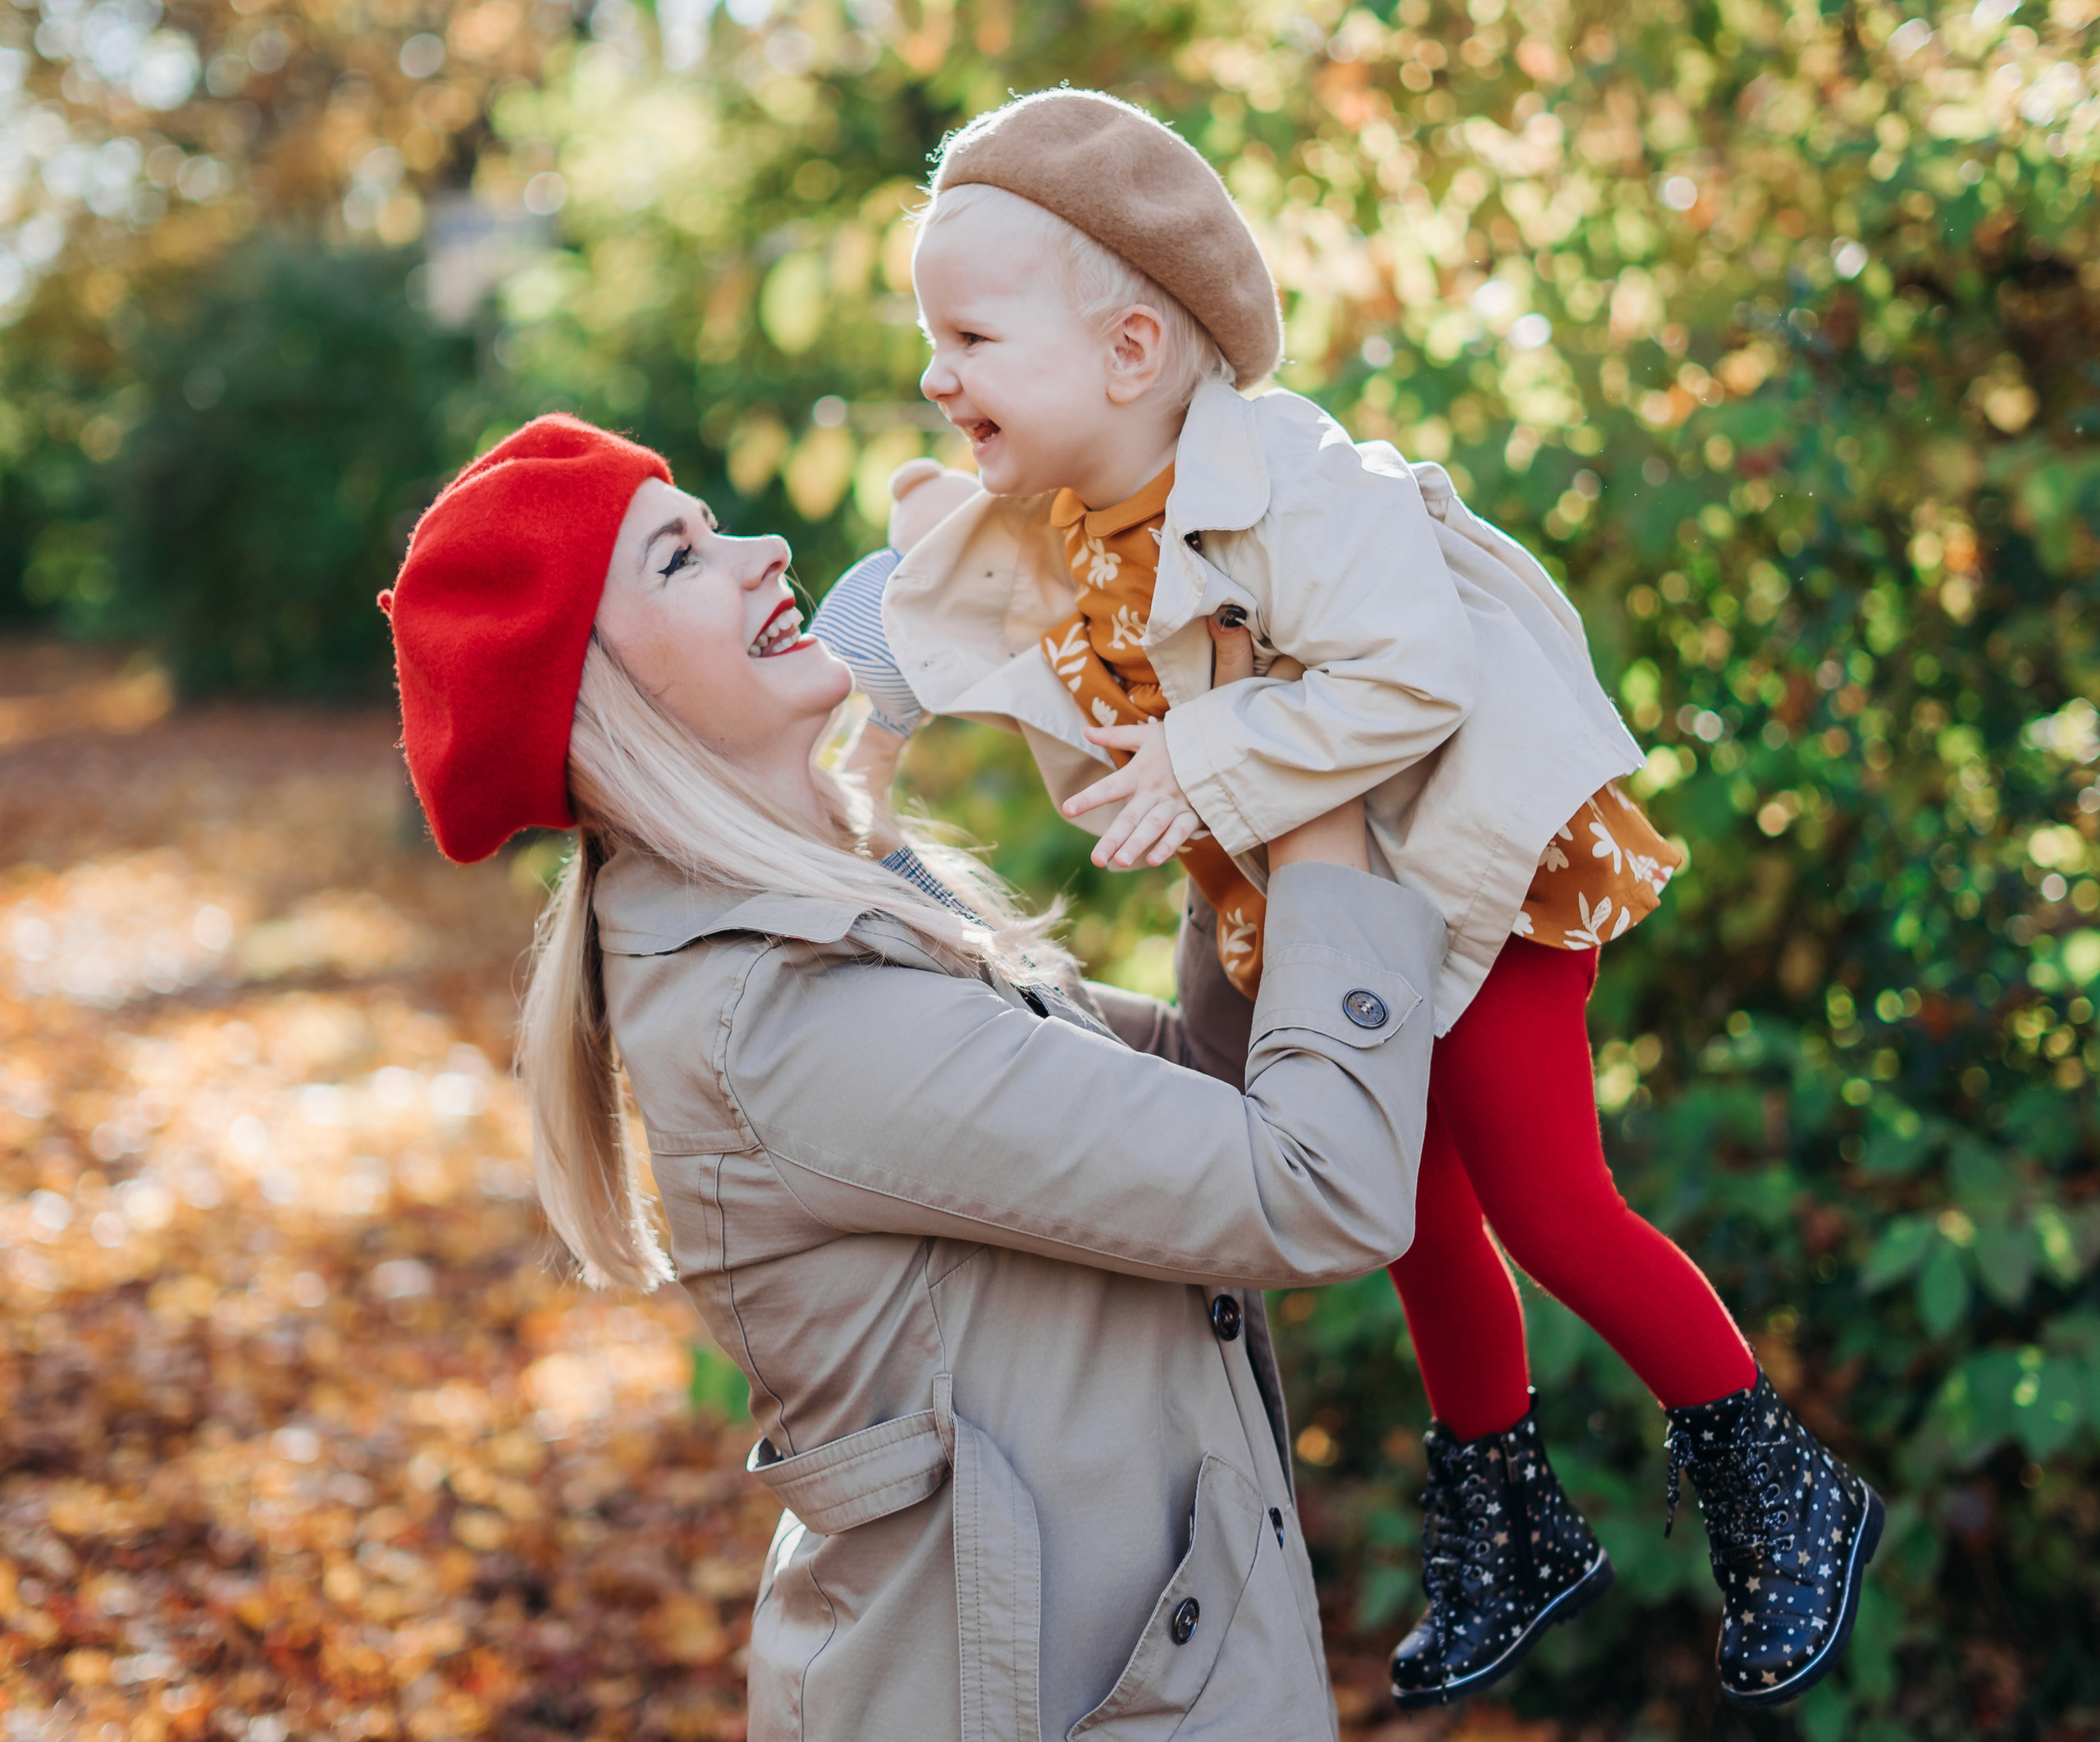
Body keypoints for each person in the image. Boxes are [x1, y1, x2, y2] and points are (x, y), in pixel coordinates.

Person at [815, 88, 1881, 1711]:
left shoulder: (1291, 471)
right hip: (1330, 908)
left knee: (1544, 1196)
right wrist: (859, 742)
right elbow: (911, 597)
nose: (930, 372)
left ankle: (1771, 1470)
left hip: (1475, 859)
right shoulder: (1044, 508)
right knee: (1399, 1212)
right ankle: (1506, 1514)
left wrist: (1209, 751)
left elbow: (1414, 668)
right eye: (925, 334)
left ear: (1126, 353)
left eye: (965, 332)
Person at [378, 412, 1451, 1742]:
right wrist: (1311, 777)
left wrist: (1226, 778)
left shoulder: (850, 902)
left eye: (716, 526)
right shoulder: (785, 1016)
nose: (765, 551)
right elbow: (1311, 1186)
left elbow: (1198, 1092)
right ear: (598, 698)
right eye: (678, 558)